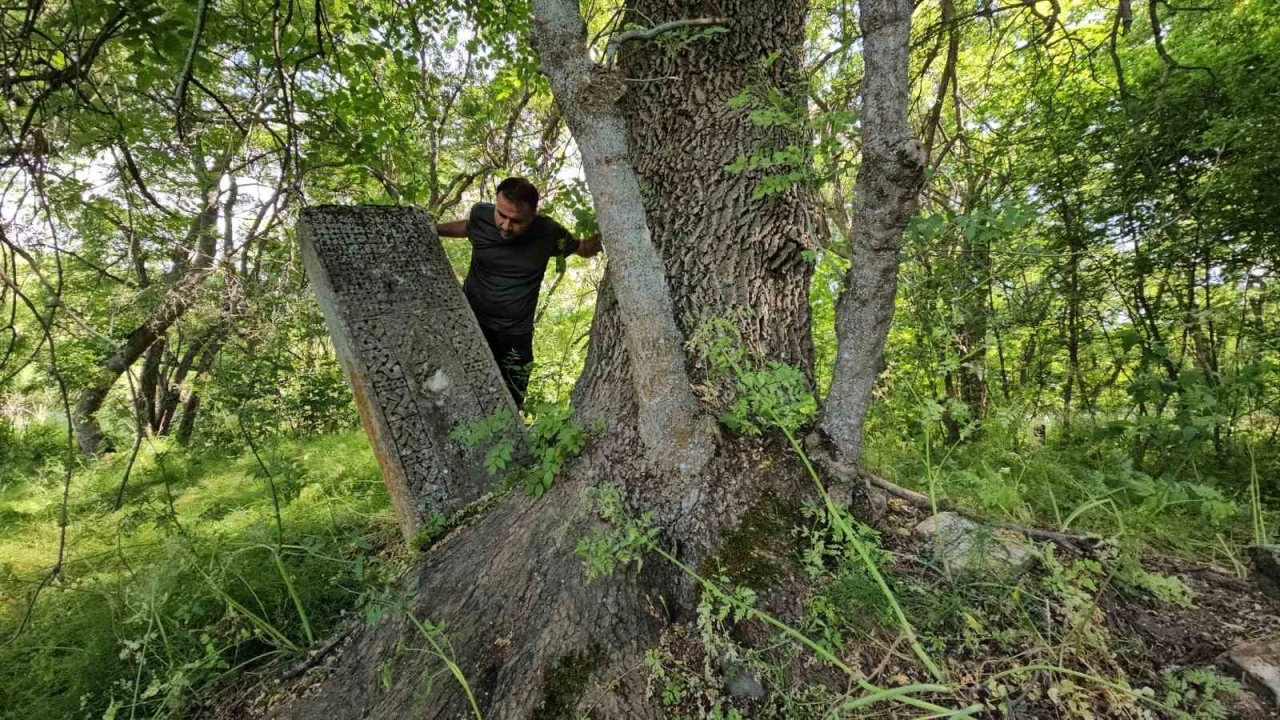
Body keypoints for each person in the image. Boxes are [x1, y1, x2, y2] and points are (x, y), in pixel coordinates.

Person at [436, 177, 601, 408]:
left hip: (514, 335)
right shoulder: (481, 215)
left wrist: (608, 232)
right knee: (458, 386)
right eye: (501, 215)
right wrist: (433, 229)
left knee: (512, 397)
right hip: (471, 320)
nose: (506, 225)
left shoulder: (549, 233)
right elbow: (468, 227)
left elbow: (582, 248)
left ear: (533, 215)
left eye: (516, 221)